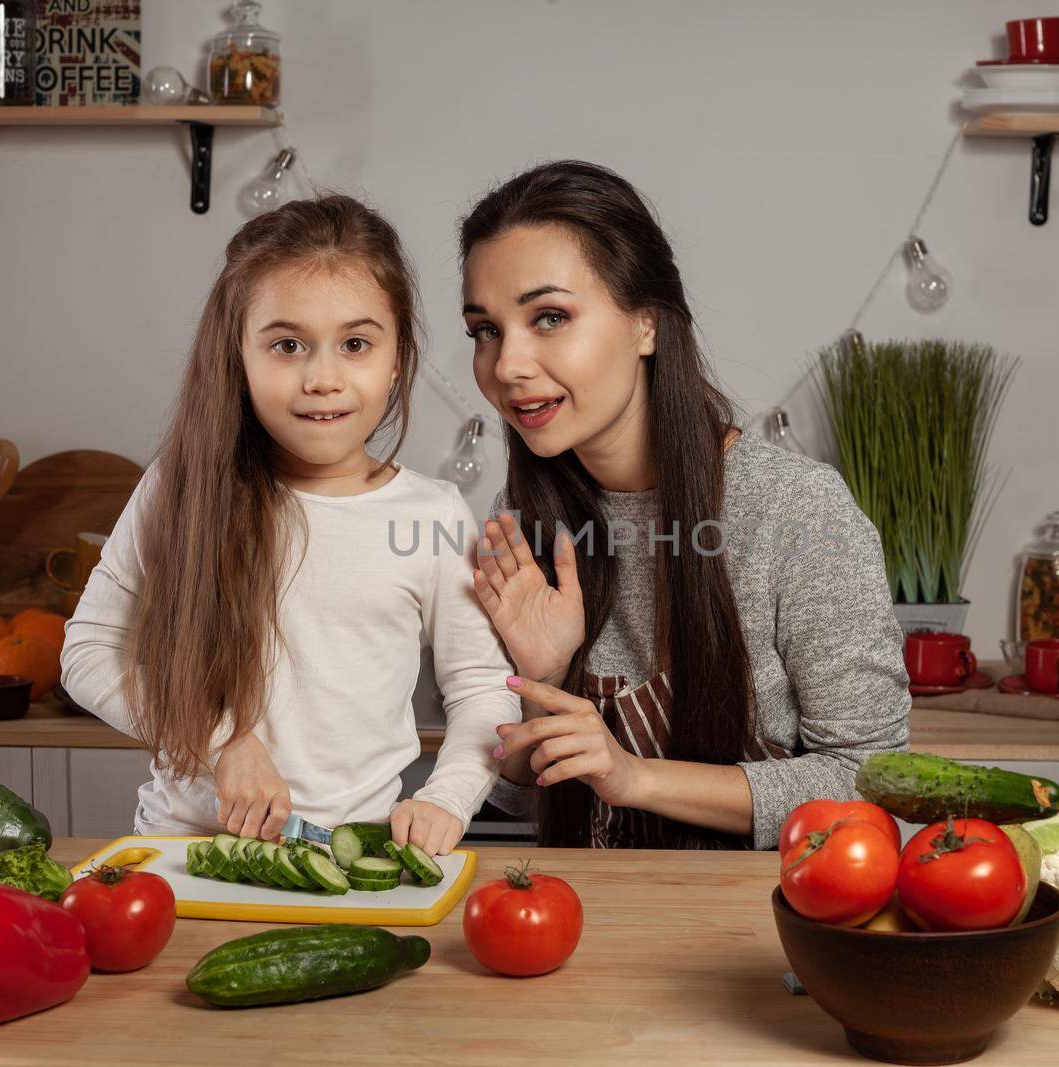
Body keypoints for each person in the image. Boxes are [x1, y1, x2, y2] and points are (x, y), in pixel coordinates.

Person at [458, 161, 910, 849]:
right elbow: (515, 790)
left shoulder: (796, 511)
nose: (508, 364)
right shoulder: (522, 518)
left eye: (549, 317)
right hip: (581, 924)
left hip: (760, 930)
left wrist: (635, 777)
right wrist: (542, 679)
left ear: (646, 324)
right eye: (485, 330)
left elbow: (876, 782)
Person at [61, 195, 519, 855]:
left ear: (396, 358)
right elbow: (87, 652)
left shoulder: (433, 515)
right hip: (181, 855)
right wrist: (221, 741)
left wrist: (446, 798)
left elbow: (481, 688)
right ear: (239, 356)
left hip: (346, 864)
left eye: (356, 344)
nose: (323, 378)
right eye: (286, 345)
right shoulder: (181, 484)